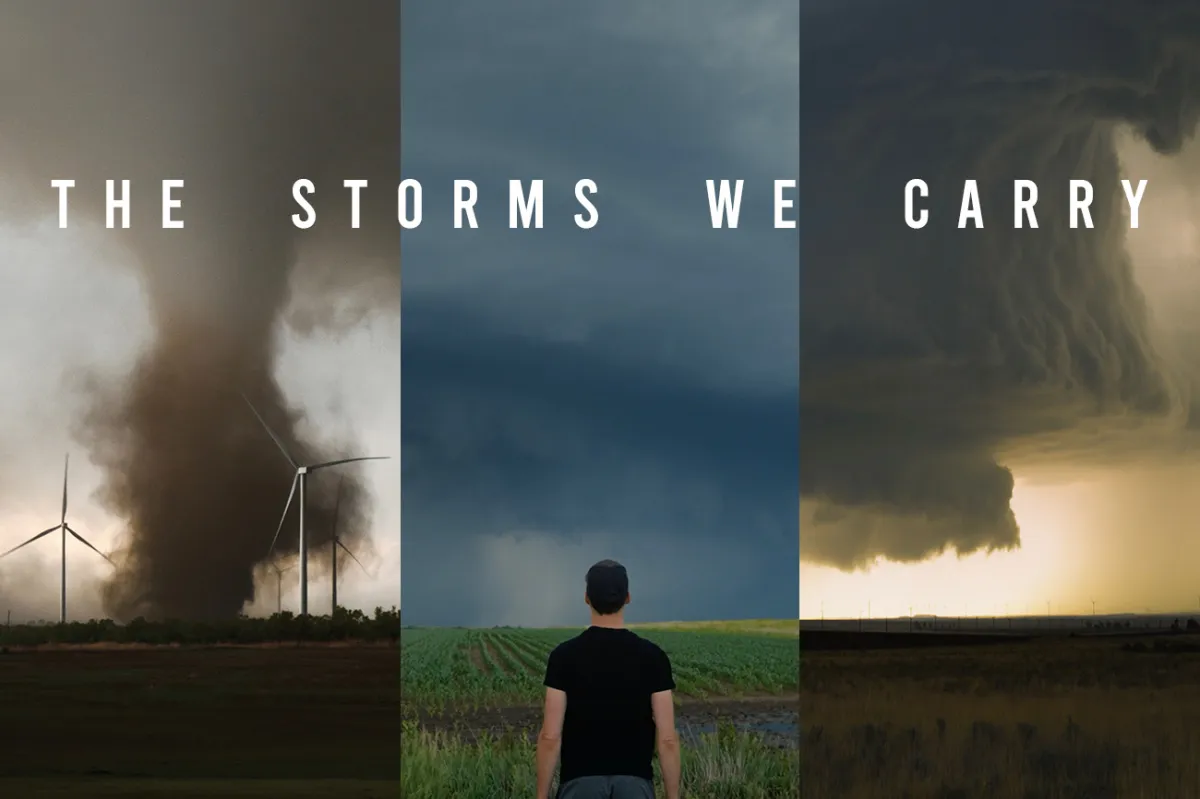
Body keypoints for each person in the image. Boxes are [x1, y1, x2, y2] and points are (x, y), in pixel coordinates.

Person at [535, 559, 681, 799]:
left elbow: (550, 736)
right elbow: (667, 739)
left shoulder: (563, 656)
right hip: (635, 785)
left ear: (586, 598)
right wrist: (673, 796)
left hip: (578, 784)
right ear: (627, 598)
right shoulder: (654, 657)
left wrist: (541, 796)